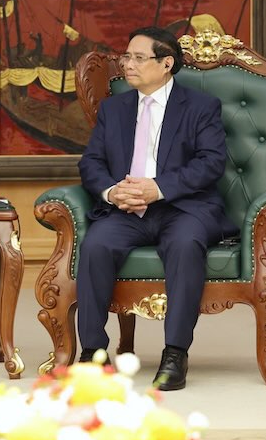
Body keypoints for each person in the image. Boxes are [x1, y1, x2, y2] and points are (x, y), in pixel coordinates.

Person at [75, 26, 238, 390]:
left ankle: (175, 354)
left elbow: (210, 163)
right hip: (125, 209)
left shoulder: (200, 107)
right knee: (96, 245)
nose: (126, 64)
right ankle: (93, 354)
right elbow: (91, 163)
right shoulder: (114, 108)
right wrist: (112, 192)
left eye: (137, 57)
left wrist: (158, 188)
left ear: (166, 64)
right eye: (126, 56)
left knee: (184, 245)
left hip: (182, 208)